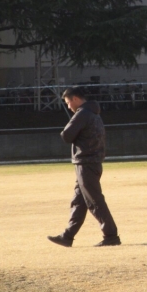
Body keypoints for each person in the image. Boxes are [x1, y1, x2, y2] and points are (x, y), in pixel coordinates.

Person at [47, 86, 121, 247]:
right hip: (92, 162)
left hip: (86, 162)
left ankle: (111, 235)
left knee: (95, 201)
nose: (68, 107)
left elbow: (66, 136)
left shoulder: (82, 114)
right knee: (79, 202)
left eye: (68, 102)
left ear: (75, 99)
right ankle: (68, 236)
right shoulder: (94, 113)